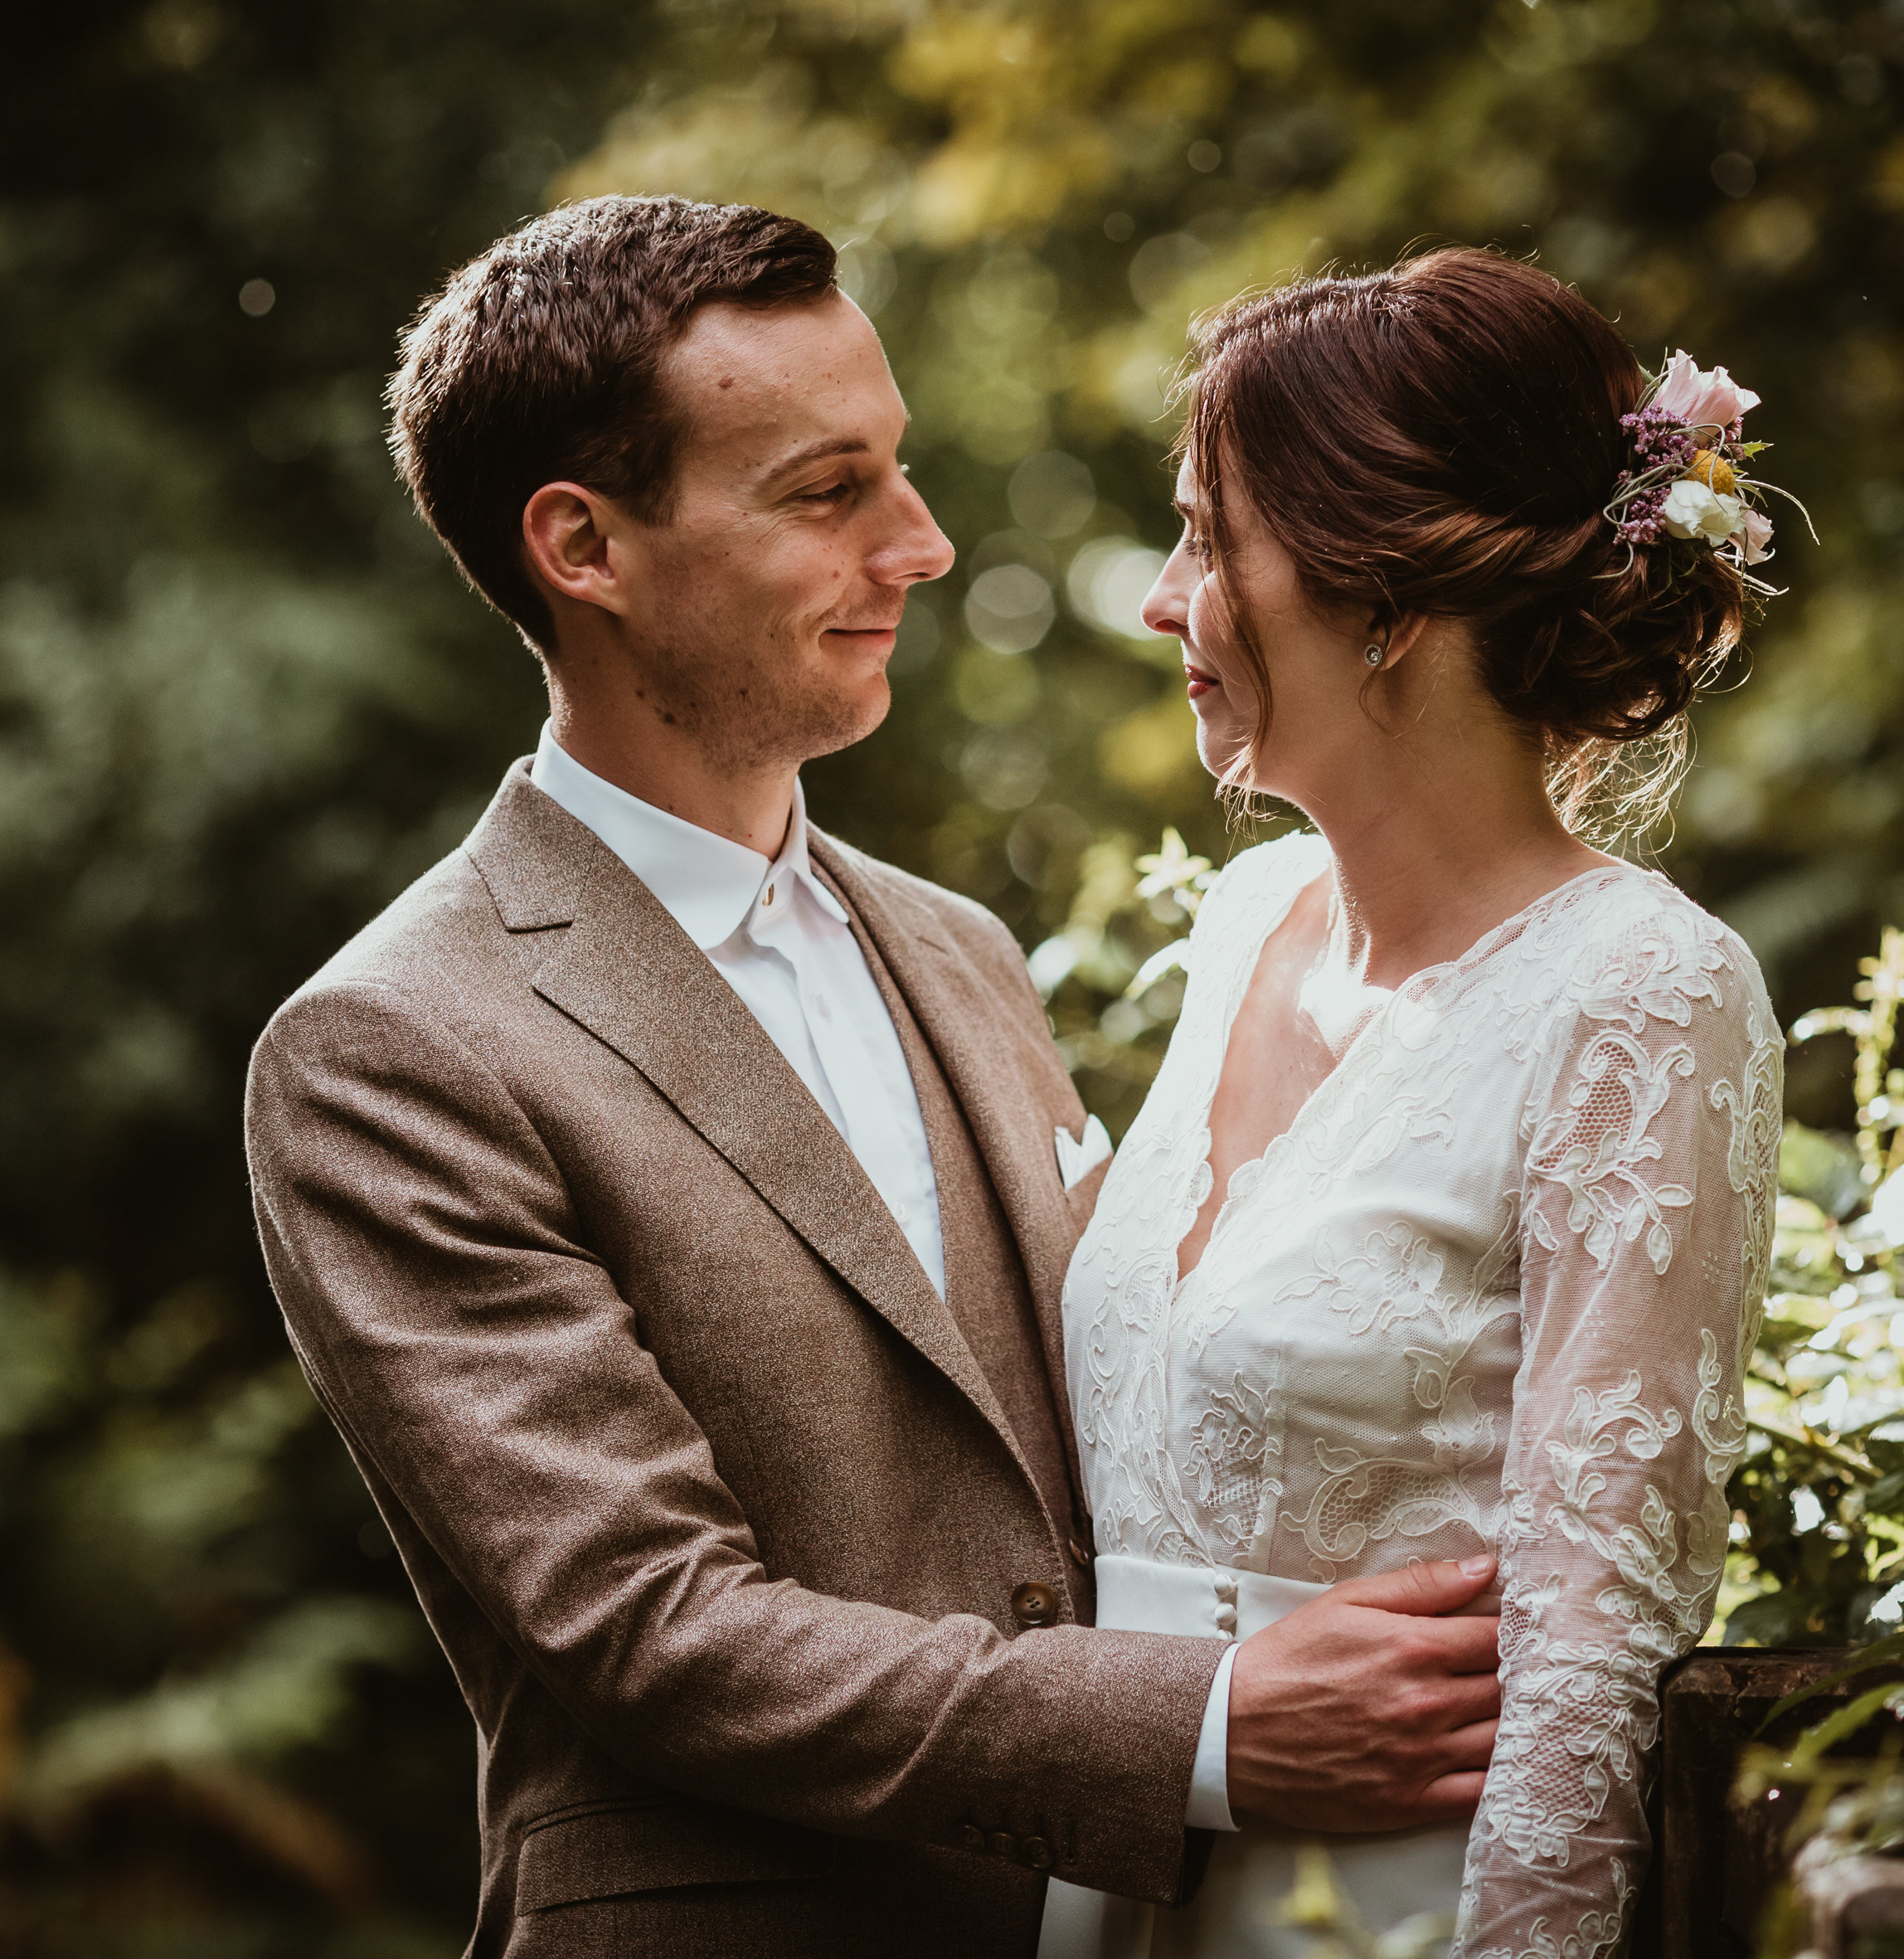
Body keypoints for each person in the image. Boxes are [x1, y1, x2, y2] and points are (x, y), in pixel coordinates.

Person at [243, 197, 1506, 1957]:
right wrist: (1210, 1726)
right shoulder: (394, 1046)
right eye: (823, 492)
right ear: (581, 544)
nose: (915, 543)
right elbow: (647, 1625)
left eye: (894, 471)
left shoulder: (957, 950)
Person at [1040, 250, 1785, 1959]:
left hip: (1381, 1908)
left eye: (1207, 539)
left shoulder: (1641, 992)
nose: (1163, 598)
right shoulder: (1238, 927)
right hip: (1119, 1868)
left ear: (1388, 595)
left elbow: (1593, 1644)